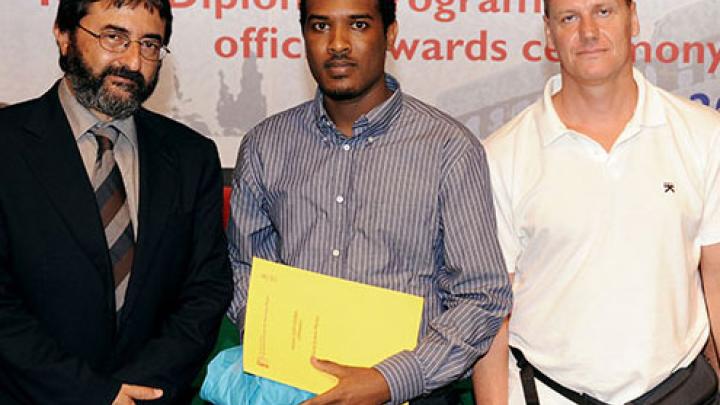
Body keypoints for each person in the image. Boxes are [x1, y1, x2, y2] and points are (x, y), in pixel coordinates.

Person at [226, 0, 512, 403]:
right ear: (304, 35)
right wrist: (273, 343)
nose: (337, 44)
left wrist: (391, 380)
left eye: (358, 25)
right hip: (291, 391)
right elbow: (245, 266)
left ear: (390, 34)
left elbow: (482, 295)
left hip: (413, 395)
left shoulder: (449, 149)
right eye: (320, 26)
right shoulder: (265, 146)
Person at [474, 0, 720, 403]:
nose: (588, 31)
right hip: (547, 393)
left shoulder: (705, 136)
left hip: (678, 391)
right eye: (569, 18)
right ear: (549, 33)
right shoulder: (501, 156)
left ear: (633, 18)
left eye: (603, 11)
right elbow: (489, 314)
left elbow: (717, 280)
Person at [0, 1, 233, 404]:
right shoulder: (6, 143)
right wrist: (94, 394)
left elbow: (205, 291)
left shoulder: (191, 157)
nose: (132, 61)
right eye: (114, 37)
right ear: (63, 33)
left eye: (149, 45)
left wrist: (135, 393)